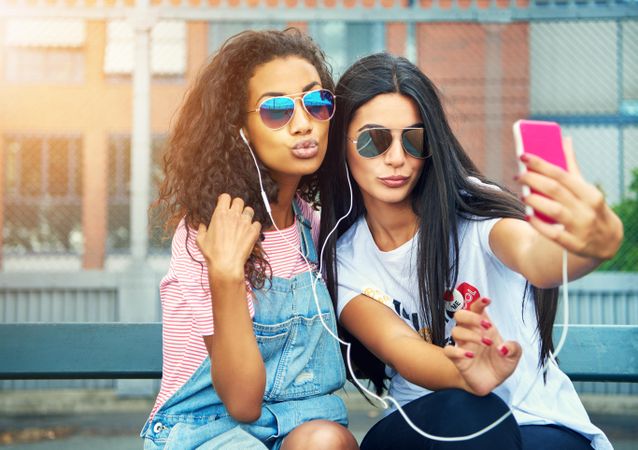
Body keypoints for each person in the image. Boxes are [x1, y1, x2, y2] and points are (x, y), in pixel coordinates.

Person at [318, 53, 623, 450]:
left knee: (480, 417)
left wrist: (593, 246)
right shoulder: (345, 254)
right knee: (468, 412)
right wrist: (463, 373)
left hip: (536, 423)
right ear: (341, 144)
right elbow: (403, 348)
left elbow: (537, 259)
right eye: (372, 140)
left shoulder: (474, 212)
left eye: (413, 140)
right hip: (425, 423)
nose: (396, 158)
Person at [141, 29, 358, 450]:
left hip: (298, 425)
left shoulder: (312, 225)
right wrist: (225, 274)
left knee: (329, 440)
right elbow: (241, 402)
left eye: (316, 103)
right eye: (276, 109)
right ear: (239, 129)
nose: (303, 124)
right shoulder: (207, 232)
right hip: (205, 430)